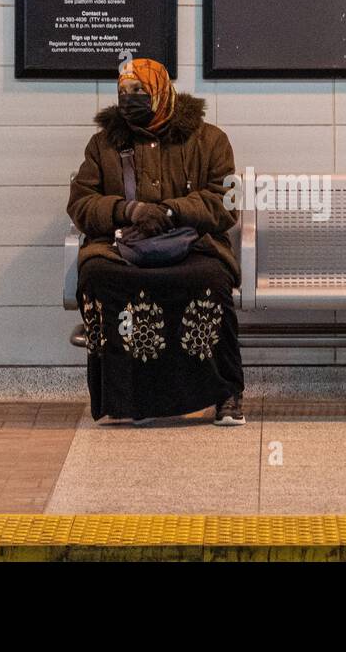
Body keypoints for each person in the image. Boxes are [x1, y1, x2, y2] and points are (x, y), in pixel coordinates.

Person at [67, 58, 245, 426]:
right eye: (123, 92)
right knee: (98, 276)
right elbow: (81, 203)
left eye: (139, 91)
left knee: (212, 281)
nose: (130, 99)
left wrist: (171, 212)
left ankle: (225, 392)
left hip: (193, 245)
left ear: (161, 91)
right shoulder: (103, 146)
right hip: (122, 247)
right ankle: (125, 398)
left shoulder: (210, 140)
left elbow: (225, 204)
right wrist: (127, 210)